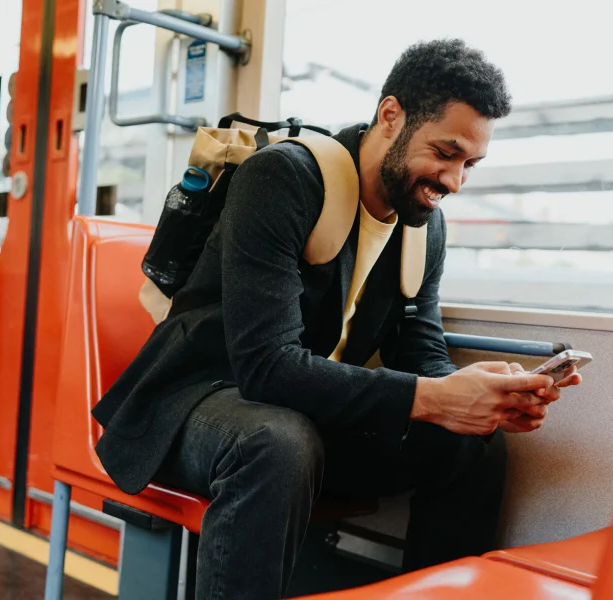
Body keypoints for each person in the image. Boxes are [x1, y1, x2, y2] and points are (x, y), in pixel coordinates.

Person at [92, 38, 582, 599]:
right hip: (196, 402)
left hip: (301, 414)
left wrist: (477, 395)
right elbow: (266, 368)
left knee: (474, 445)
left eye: (469, 164)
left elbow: (418, 351)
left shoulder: (423, 224)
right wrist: (435, 398)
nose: (453, 181)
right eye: (444, 152)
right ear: (391, 116)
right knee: (277, 442)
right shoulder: (282, 179)